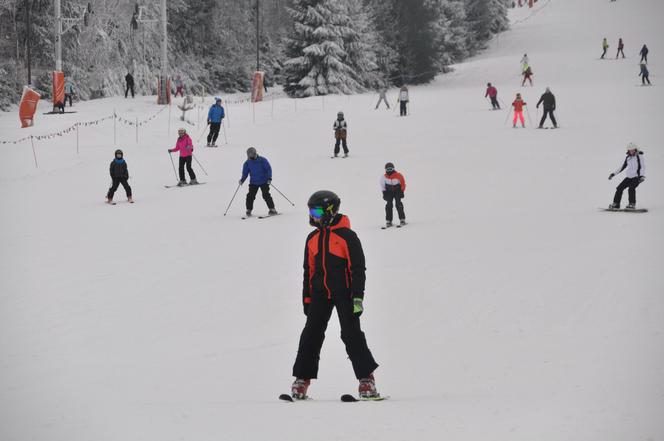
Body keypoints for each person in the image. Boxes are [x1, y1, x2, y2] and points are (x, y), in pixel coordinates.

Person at [290, 190, 380, 400]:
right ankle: (302, 379)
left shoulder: (347, 236)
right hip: (320, 294)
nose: (313, 216)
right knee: (311, 333)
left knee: (350, 334)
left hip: (345, 294)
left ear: (330, 211)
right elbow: (308, 271)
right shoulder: (312, 239)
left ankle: (367, 379)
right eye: (311, 211)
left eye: (317, 211)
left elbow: (358, 269)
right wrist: (307, 298)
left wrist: (357, 297)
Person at [239, 147, 277, 217]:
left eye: (251, 154)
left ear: (254, 153)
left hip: (264, 181)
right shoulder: (247, 163)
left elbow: (268, 169)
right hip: (254, 182)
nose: (250, 156)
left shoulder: (262, 160)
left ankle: (272, 209)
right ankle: (248, 210)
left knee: (266, 195)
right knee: (250, 196)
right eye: (248, 154)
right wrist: (242, 180)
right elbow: (245, 173)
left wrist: (269, 178)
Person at [608, 143, 646, 210]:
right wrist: (613, 174)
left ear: (635, 149)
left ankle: (632, 204)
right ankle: (616, 204)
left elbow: (642, 167)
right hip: (629, 177)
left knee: (631, 188)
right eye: (630, 150)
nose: (631, 151)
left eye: (633, 150)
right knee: (619, 188)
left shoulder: (639, 156)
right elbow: (622, 167)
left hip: (637, 177)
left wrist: (641, 176)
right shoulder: (628, 158)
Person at [381, 163, 406, 227]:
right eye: (388, 169)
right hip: (389, 192)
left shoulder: (398, 175)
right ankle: (388, 220)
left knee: (398, 203)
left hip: (397, 191)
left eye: (390, 169)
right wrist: (384, 193)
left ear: (393, 169)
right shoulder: (384, 177)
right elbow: (382, 186)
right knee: (389, 204)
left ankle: (402, 219)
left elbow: (403, 183)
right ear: (385, 170)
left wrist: (402, 191)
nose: (389, 171)